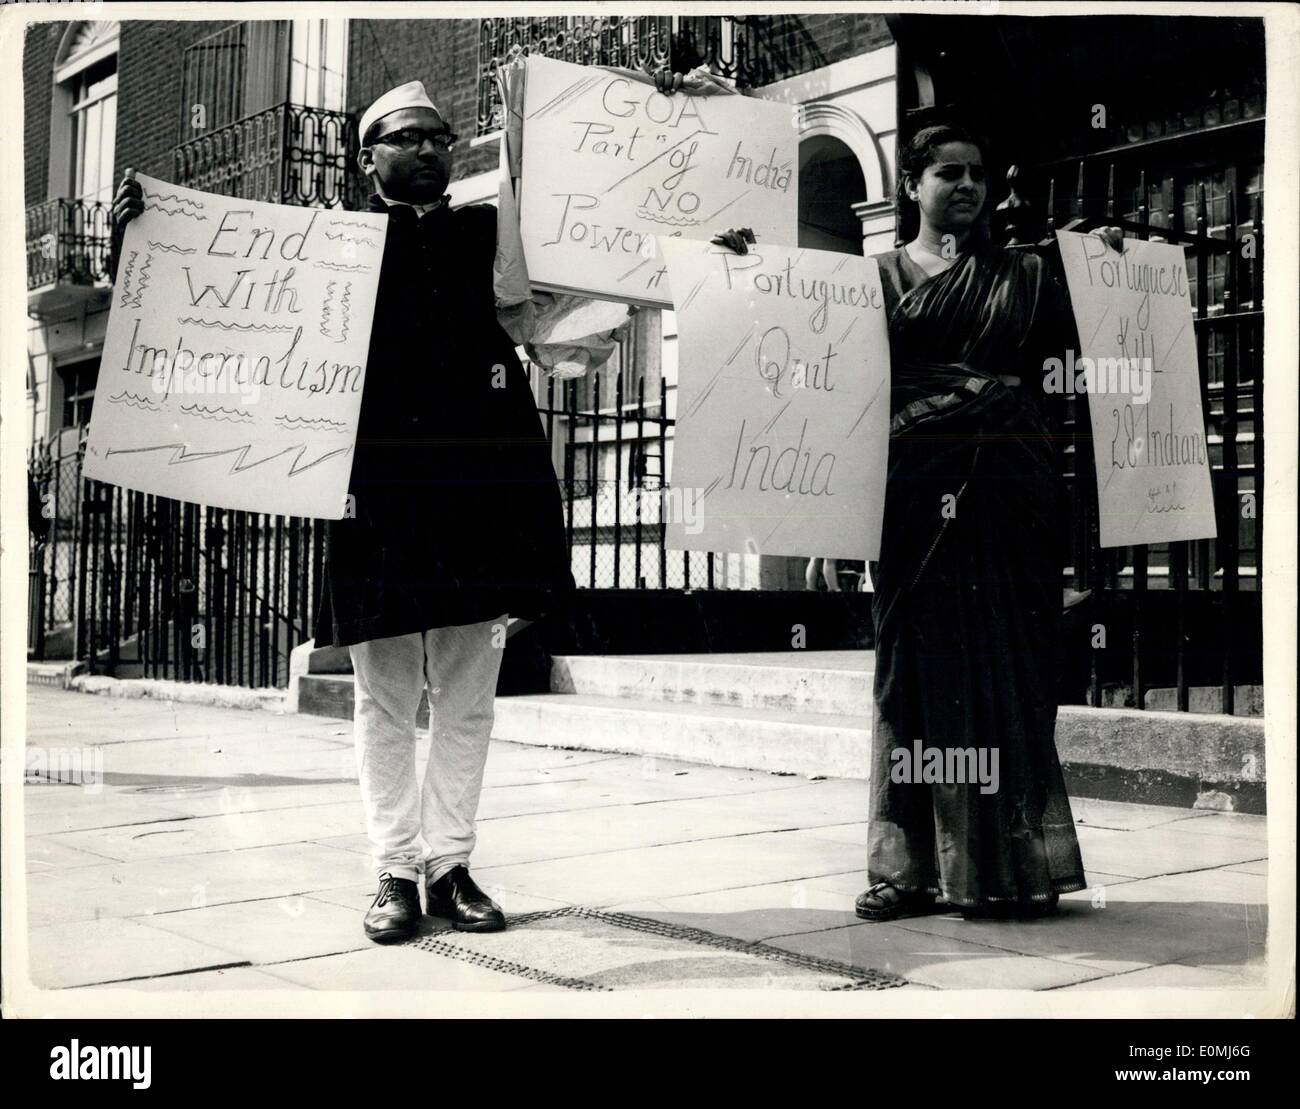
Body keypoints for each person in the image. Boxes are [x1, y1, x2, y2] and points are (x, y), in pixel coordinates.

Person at [111, 80, 579, 943]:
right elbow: (220, 307)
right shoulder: (330, 242)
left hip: (478, 494)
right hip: (379, 497)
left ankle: (452, 867)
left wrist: (709, 254)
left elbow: (577, 291)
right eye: (409, 137)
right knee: (386, 697)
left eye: (441, 137)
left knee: (470, 695)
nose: (431, 149)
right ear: (371, 158)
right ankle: (396, 870)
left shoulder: (489, 236)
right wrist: (144, 238)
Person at [719, 122, 1100, 921]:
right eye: (948, 173)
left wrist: (1110, 270)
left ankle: (1013, 864)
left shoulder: (1025, 275)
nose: (966, 185)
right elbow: (825, 389)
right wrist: (740, 268)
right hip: (911, 497)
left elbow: (1082, 358)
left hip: (1010, 496)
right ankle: (908, 869)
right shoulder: (871, 280)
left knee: (1012, 677)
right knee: (913, 684)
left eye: (977, 173)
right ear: (912, 188)